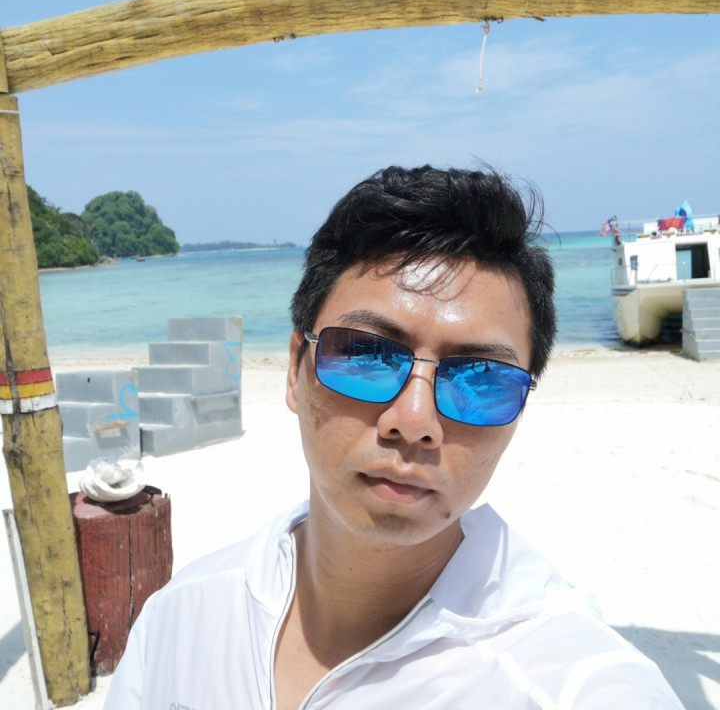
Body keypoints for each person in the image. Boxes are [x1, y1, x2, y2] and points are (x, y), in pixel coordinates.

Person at [105, 165, 682, 709]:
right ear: (294, 369)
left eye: (481, 378)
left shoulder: (561, 683)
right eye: (365, 354)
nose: (414, 420)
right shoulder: (180, 622)